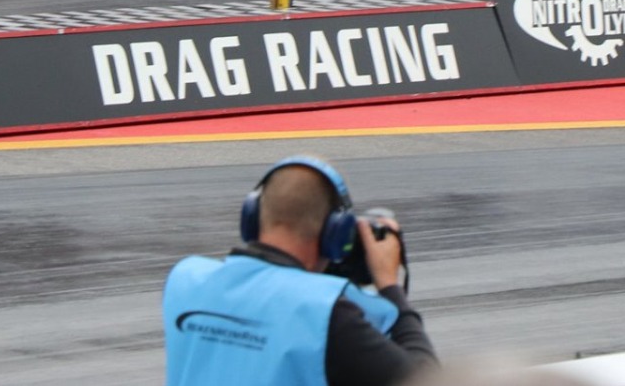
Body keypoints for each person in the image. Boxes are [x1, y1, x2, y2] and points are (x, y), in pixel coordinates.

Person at [163, 156, 435, 386]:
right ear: (335, 235)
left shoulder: (185, 279)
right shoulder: (326, 313)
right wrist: (390, 286)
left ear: (251, 218)